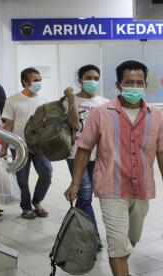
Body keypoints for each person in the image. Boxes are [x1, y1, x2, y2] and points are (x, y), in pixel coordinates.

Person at [64, 60, 163, 276]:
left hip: (142, 187)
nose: (134, 87)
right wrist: (75, 183)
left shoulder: (155, 115)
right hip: (110, 187)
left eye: (139, 82)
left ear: (145, 85)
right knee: (117, 242)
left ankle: (121, 267)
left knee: (131, 238)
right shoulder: (101, 113)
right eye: (129, 82)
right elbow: (84, 148)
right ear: (119, 84)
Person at [0, 67, 75, 219]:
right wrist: (4, 148)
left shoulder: (43, 101)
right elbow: (8, 126)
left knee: (46, 174)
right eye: (35, 80)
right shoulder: (13, 100)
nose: (39, 83)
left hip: (40, 146)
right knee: (22, 179)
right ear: (25, 82)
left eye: (40, 80)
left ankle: (37, 201)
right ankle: (26, 207)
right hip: (19, 146)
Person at [65, 64, 109, 250]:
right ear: (80, 79)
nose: (92, 81)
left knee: (86, 198)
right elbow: (74, 124)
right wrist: (70, 99)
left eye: (96, 78)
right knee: (84, 194)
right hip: (75, 154)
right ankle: (94, 237)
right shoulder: (68, 100)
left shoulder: (105, 103)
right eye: (88, 77)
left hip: (98, 156)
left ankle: (84, 231)